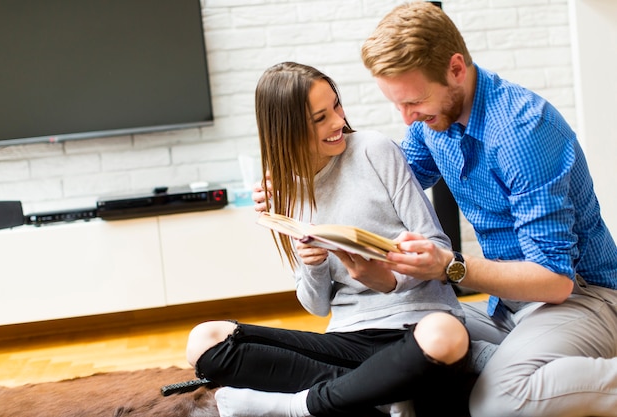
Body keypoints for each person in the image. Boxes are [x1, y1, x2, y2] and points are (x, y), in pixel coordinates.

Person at [355, 2, 617, 417]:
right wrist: (301, 187)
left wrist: (450, 266)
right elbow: (387, 186)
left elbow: (555, 281)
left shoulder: (523, 132)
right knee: (400, 349)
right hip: (508, 306)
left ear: (456, 68)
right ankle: (535, 371)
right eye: (398, 106)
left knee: (499, 403)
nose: (407, 120)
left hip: (584, 299)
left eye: (415, 101)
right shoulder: (434, 123)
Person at [185, 61, 473, 417]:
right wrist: (314, 266)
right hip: (349, 338)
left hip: (417, 326)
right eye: (320, 119)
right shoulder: (285, 192)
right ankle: (377, 390)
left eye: (336, 106)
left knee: (445, 334)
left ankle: (301, 406)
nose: (338, 122)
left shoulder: (374, 150)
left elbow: (437, 245)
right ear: (287, 131)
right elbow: (317, 306)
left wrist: (389, 280)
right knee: (205, 341)